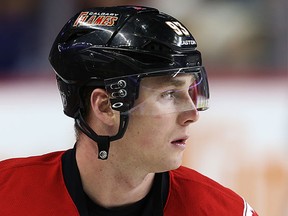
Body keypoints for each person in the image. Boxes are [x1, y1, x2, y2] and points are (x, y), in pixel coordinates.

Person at [0, 5, 259, 216]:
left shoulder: (223, 211)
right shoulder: (6, 196)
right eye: (169, 94)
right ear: (105, 106)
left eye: (190, 91)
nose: (192, 115)